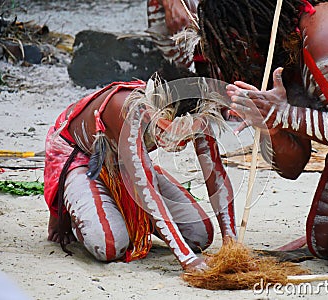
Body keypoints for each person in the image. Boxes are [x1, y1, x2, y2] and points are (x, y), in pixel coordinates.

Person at [198, 0, 328, 276]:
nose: (238, 51)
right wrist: (271, 128)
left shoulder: (327, 32)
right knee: (325, 240)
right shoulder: (285, 52)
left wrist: (285, 116)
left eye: (235, 39)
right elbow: (292, 167)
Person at [44, 71, 236, 271]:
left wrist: (232, 245)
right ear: (155, 111)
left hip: (129, 164)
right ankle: (73, 209)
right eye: (169, 131)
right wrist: (186, 259)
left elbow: (215, 175)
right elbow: (146, 190)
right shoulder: (130, 109)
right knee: (110, 247)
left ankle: (125, 201)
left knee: (200, 236)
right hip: (85, 160)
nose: (181, 143)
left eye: (188, 135)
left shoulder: (198, 113)